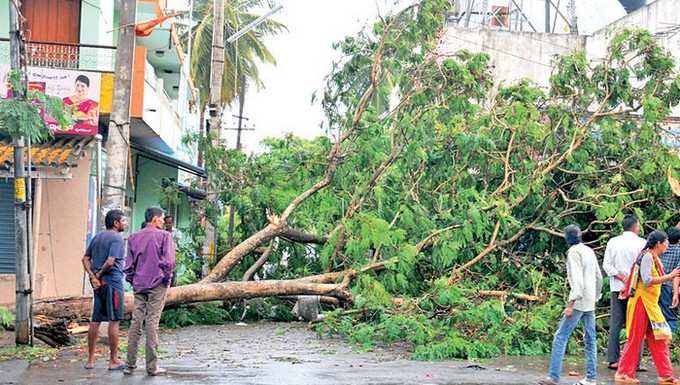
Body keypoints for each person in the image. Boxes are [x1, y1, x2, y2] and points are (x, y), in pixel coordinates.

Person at [538, 224, 603, 385]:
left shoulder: (573, 253)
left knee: (560, 337)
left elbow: (577, 281)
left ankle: (553, 376)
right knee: (590, 340)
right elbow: (599, 277)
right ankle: (591, 378)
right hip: (590, 301)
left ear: (567, 239)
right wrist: (595, 296)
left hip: (579, 301)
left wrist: (570, 304)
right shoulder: (588, 250)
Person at [615, 230, 680, 384]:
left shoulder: (655, 258)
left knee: (659, 338)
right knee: (635, 338)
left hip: (651, 305)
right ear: (658, 244)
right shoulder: (647, 257)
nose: (667, 245)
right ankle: (623, 372)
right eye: (665, 243)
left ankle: (666, 375)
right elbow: (647, 280)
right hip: (641, 303)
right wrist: (669, 276)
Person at [123, 207, 176, 376]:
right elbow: (169, 262)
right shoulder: (164, 236)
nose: (163, 221)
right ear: (154, 219)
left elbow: (129, 266)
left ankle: (129, 365)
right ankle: (152, 366)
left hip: (139, 283)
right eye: (161, 218)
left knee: (135, 322)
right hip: (157, 283)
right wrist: (166, 280)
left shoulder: (133, 237)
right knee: (152, 323)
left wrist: (133, 279)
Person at [81, 209, 128, 370]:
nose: (125, 223)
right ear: (116, 223)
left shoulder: (97, 237)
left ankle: (90, 359)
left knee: (96, 320)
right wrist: (99, 274)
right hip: (112, 283)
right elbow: (110, 261)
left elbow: (85, 258)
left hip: (98, 285)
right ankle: (113, 360)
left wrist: (93, 277)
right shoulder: (117, 238)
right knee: (114, 321)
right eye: (123, 220)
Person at [603, 214, 647, 370]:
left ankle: (613, 359)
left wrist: (621, 277)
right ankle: (634, 361)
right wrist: (630, 280)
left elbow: (607, 265)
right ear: (635, 226)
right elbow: (644, 267)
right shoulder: (642, 243)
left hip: (617, 287)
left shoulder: (613, 242)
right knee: (636, 324)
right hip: (636, 289)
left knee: (616, 323)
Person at [659, 227, 680, 332]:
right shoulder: (678, 251)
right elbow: (678, 273)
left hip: (657, 283)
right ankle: (671, 340)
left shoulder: (661, 248)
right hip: (670, 286)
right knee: (671, 315)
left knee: (659, 314)